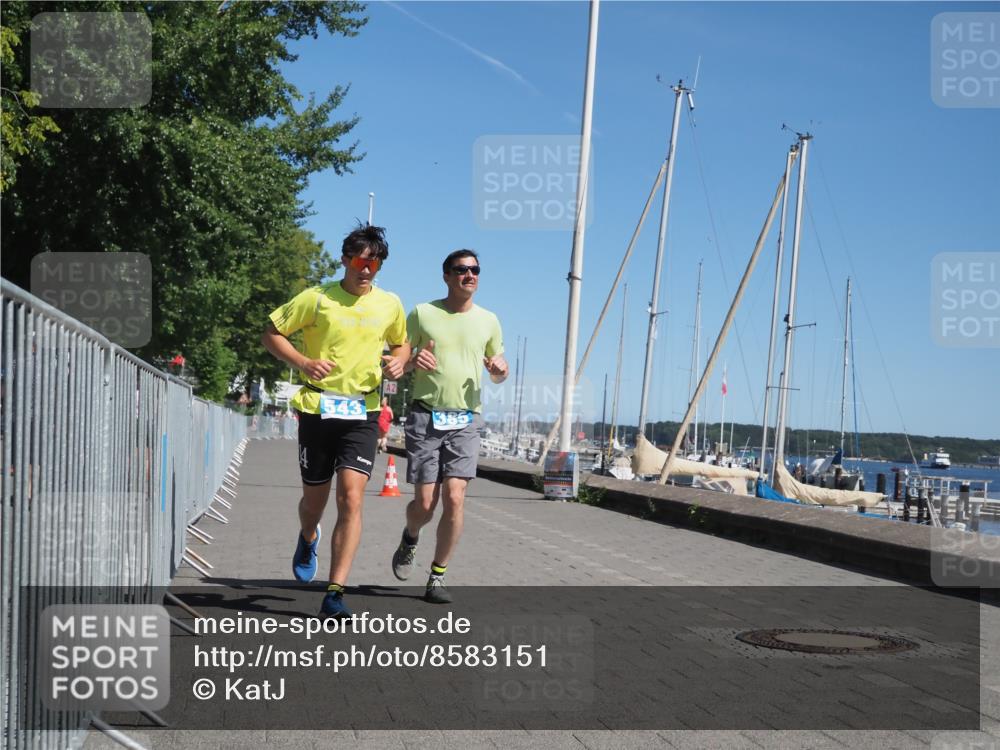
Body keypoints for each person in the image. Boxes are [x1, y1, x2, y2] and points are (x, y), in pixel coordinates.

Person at [262, 224, 409, 617]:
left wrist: (400, 360)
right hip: (318, 410)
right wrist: (304, 362)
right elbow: (271, 333)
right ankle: (308, 536)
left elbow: (401, 341)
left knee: (351, 497)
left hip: (363, 413)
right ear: (345, 259)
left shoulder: (389, 303)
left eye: (375, 262)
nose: (367, 269)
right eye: (361, 260)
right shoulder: (317, 298)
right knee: (314, 503)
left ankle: (335, 592)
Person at [391, 249, 508, 603]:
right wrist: (412, 360)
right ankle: (411, 536)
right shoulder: (423, 313)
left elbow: (498, 369)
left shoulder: (489, 320)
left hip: (466, 419)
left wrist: (500, 372)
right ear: (446, 276)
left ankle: (437, 577)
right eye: (461, 270)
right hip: (426, 415)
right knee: (425, 505)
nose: (469, 275)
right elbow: (396, 362)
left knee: (455, 498)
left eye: (475, 270)